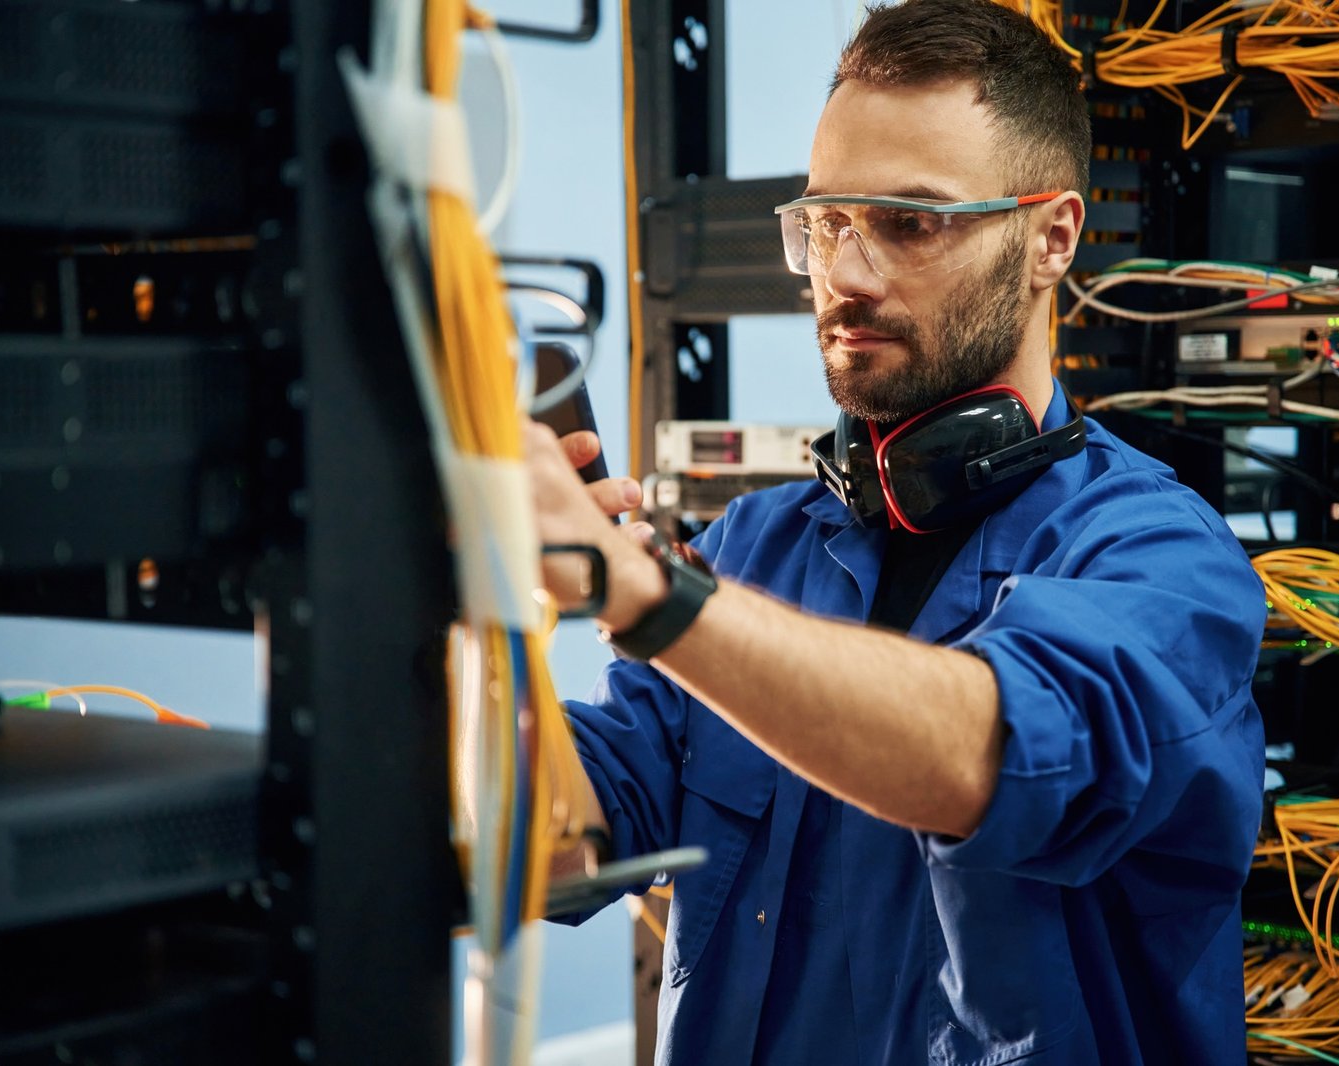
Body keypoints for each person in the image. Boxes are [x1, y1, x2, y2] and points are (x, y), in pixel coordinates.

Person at [524, 1, 1266, 1062]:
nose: (848, 275)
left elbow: (990, 754)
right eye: (826, 222)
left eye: (911, 222)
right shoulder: (751, 550)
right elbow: (565, 833)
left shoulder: (1160, 559)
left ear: (1051, 236)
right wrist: (440, 612)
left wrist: (649, 595)